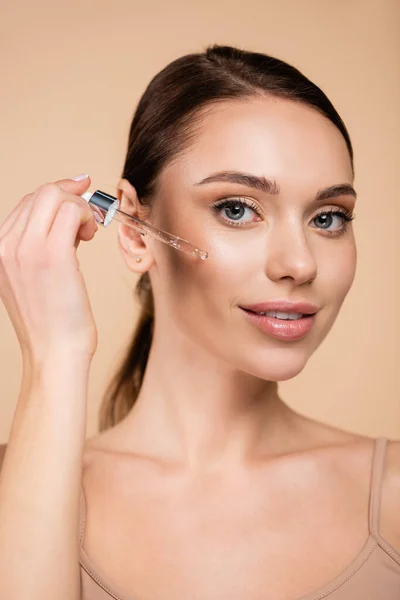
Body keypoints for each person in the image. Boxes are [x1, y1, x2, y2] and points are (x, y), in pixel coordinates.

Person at [0, 44, 399, 600]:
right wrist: (54, 357)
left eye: (328, 217)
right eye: (237, 208)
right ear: (137, 232)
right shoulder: (9, 493)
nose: (300, 263)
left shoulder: (394, 496)